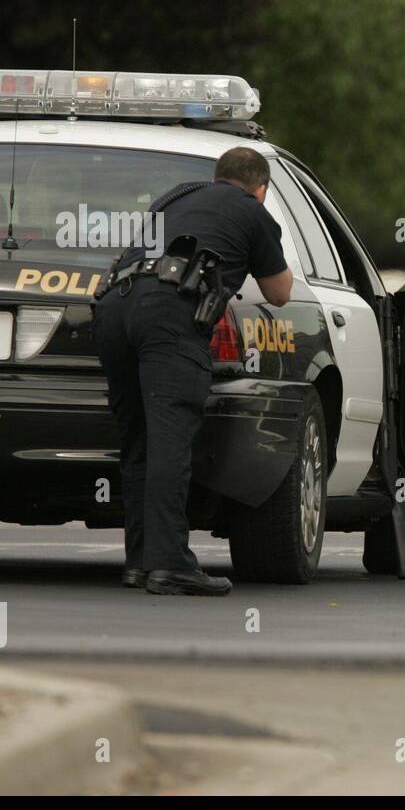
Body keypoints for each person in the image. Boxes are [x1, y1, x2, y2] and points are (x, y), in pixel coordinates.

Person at [93, 147, 293, 596]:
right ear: (260, 188)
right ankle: (170, 565)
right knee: (169, 439)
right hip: (168, 312)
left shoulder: (176, 197)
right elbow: (279, 293)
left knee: (139, 441)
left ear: (217, 176)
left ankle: (141, 562)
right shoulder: (253, 212)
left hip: (115, 308)